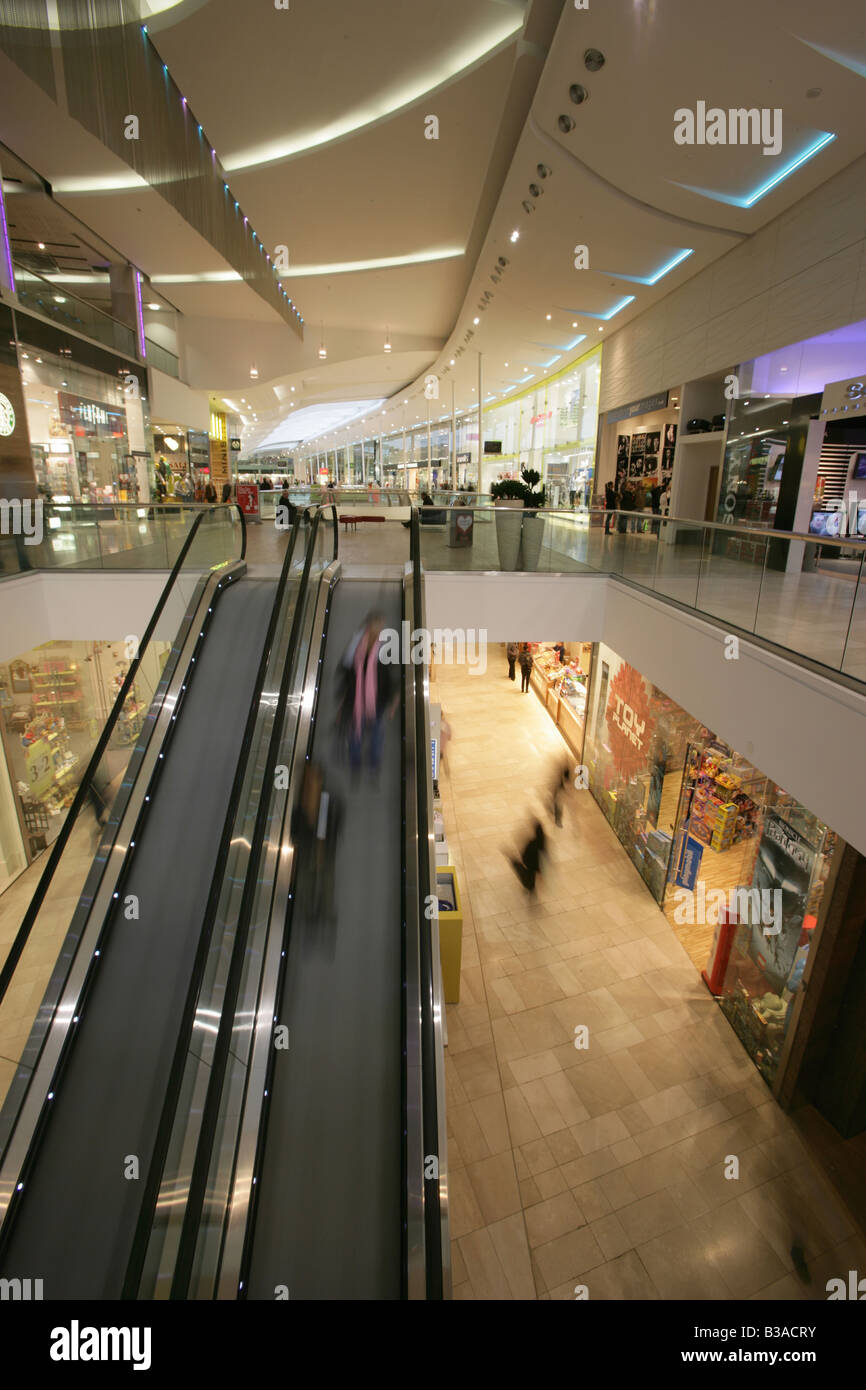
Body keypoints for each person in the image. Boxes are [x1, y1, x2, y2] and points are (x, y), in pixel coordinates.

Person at [337, 612, 399, 774]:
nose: (380, 629)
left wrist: (393, 700)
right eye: (378, 625)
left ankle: (374, 763)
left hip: (377, 700)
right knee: (355, 731)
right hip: (357, 698)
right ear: (369, 625)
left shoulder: (385, 646)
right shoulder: (357, 644)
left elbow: (391, 676)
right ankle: (355, 761)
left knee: (377, 733)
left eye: (381, 626)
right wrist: (344, 698)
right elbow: (347, 670)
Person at [290, 762, 342, 920]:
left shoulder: (324, 800)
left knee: (321, 874)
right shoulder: (309, 800)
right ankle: (312, 908)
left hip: (321, 844)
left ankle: (321, 908)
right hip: (311, 843)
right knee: (310, 875)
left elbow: (327, 823)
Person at [510, 819, 546, 893]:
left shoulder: (532, 842)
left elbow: (526, 852)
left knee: (528, 874)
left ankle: (530, 886)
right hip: (536, 864)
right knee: (531, 875)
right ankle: (531, 887)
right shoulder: (542, 841)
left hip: (530, 863)